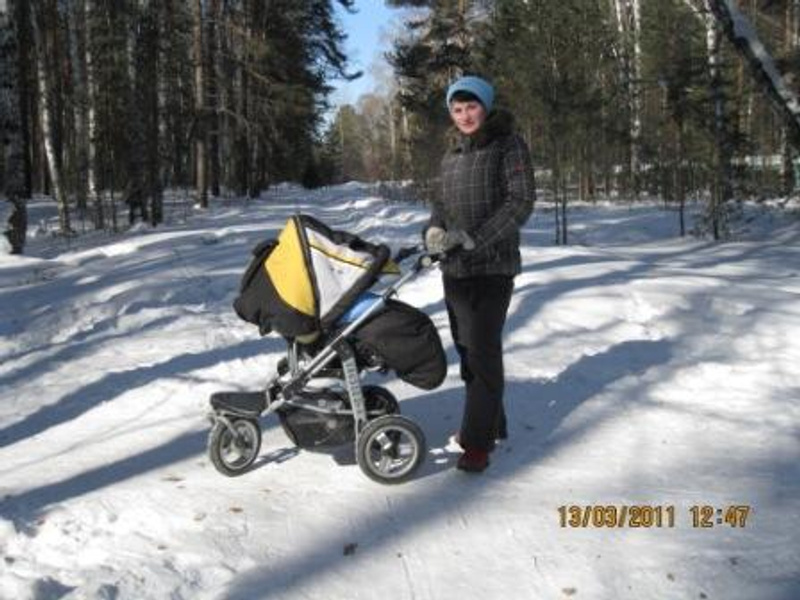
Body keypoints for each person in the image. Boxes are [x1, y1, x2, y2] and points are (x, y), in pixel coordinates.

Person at [424, 75, 535, 473]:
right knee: (467, 350)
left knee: (483, 350)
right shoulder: (450, 155)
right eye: (457, 109)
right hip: (455, 268)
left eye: (471, 107)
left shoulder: (508, 144)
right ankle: (493, 421)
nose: (465, 115)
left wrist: (476, 238)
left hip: (493, 267)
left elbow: (520, 201)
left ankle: (477, 443)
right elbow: (440, 206)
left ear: (485, 107)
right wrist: (433, 231)